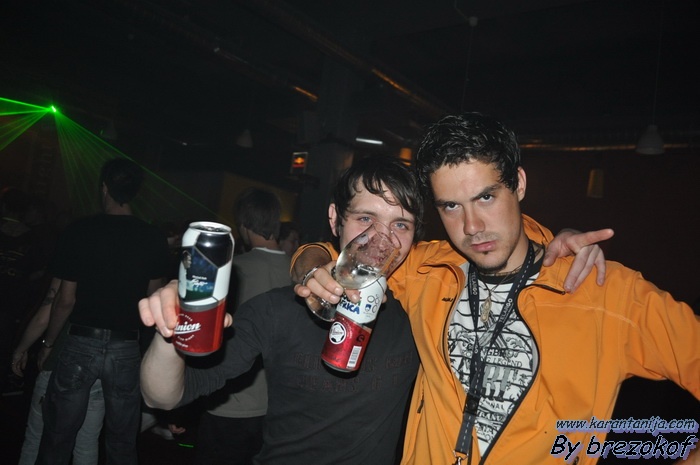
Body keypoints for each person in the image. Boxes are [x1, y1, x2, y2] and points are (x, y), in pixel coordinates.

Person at [139, 156, 605, 465]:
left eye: (400, 224)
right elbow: (163, 397)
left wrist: (555, 246)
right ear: (334, 219)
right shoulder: (280, 309)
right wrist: (169, 334)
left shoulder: (424, 309)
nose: (381, 240)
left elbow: (498, 251)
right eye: (365, 219)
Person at [293, 113, 699, 465]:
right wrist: (311, 266)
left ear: (518, 184)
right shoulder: (427, 270)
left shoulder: (607, 293)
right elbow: (340, 253)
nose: (472, 226)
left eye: (486, 197)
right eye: (451, 206)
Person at [35, 158, 170, 465]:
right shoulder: (152, 237)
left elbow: (65, 300)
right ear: (134, 192)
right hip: (126, 346)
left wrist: (48, 344)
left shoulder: (80, 230)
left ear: (105, 187)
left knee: (58, 437)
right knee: (122, 443)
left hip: (80, 342)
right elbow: (154, 299)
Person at [194, 187, 292, 465]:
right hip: (278, 410)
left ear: (244, 224)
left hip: (229, 405)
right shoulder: (301, 272)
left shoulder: (233, 270)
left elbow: (204, 337)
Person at [11, 278, 105, 465]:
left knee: (36, 438)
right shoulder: (126, 264)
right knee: (86, 444)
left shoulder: (73, 261)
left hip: (61, 359)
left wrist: (24, 348)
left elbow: (51, 310)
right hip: (101, 364)